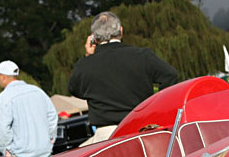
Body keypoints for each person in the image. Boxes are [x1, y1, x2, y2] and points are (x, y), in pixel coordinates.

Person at [68, 11, 179, 142]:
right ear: (121, 31)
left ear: (94, 38)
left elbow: (74, 88)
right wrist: (156, 109)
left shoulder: (85, 66)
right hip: (141, 126)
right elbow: (170, 75)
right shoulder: (142, 56)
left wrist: (88, 57)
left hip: (106, 134)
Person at [0, 60, 59, 157]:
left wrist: (7, 150)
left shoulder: (4, 98)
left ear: (3, 77)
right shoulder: (37, 91)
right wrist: (50, 139)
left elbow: (2, 128)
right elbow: (52, 116)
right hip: (45, 152)